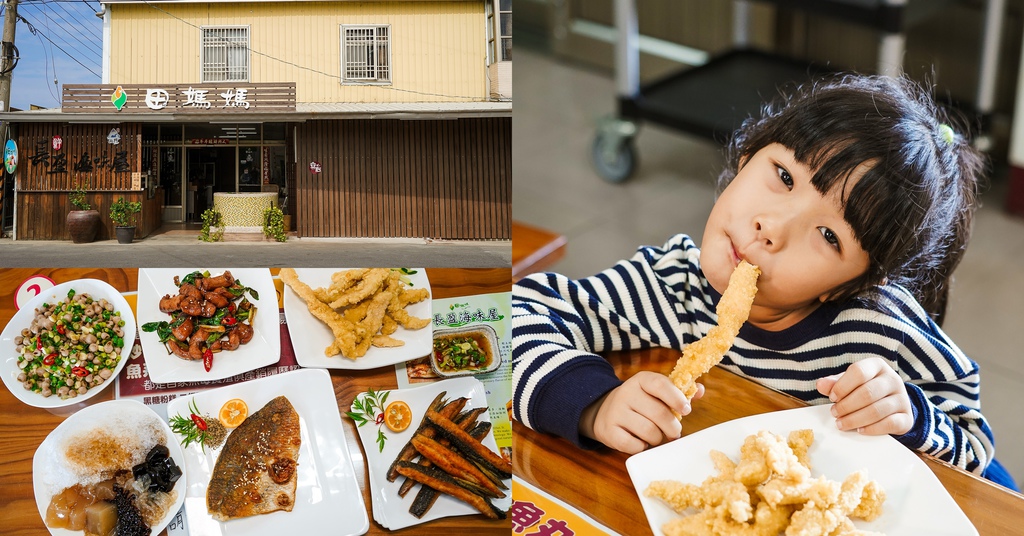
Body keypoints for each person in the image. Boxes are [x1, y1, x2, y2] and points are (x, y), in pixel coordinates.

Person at [512, 73, 1018, 490]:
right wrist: (594, 404)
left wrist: (912, 416)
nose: (771, 228)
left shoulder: (881, 332)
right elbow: (518, 311)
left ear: (852, 284)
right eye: (783, 176)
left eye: (827, 234)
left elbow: (976, 450)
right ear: (747, 154)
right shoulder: (674, 287)